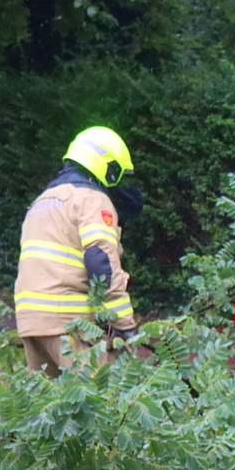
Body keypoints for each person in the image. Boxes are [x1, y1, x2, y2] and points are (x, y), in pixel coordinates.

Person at [15, 126, 139, 377]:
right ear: (107, 166)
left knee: (49, 409)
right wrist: (126, 328)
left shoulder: (42, 201)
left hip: (31, 323)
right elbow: (101, 264)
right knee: (101, 405)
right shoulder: (91, 199)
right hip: (71, 323)